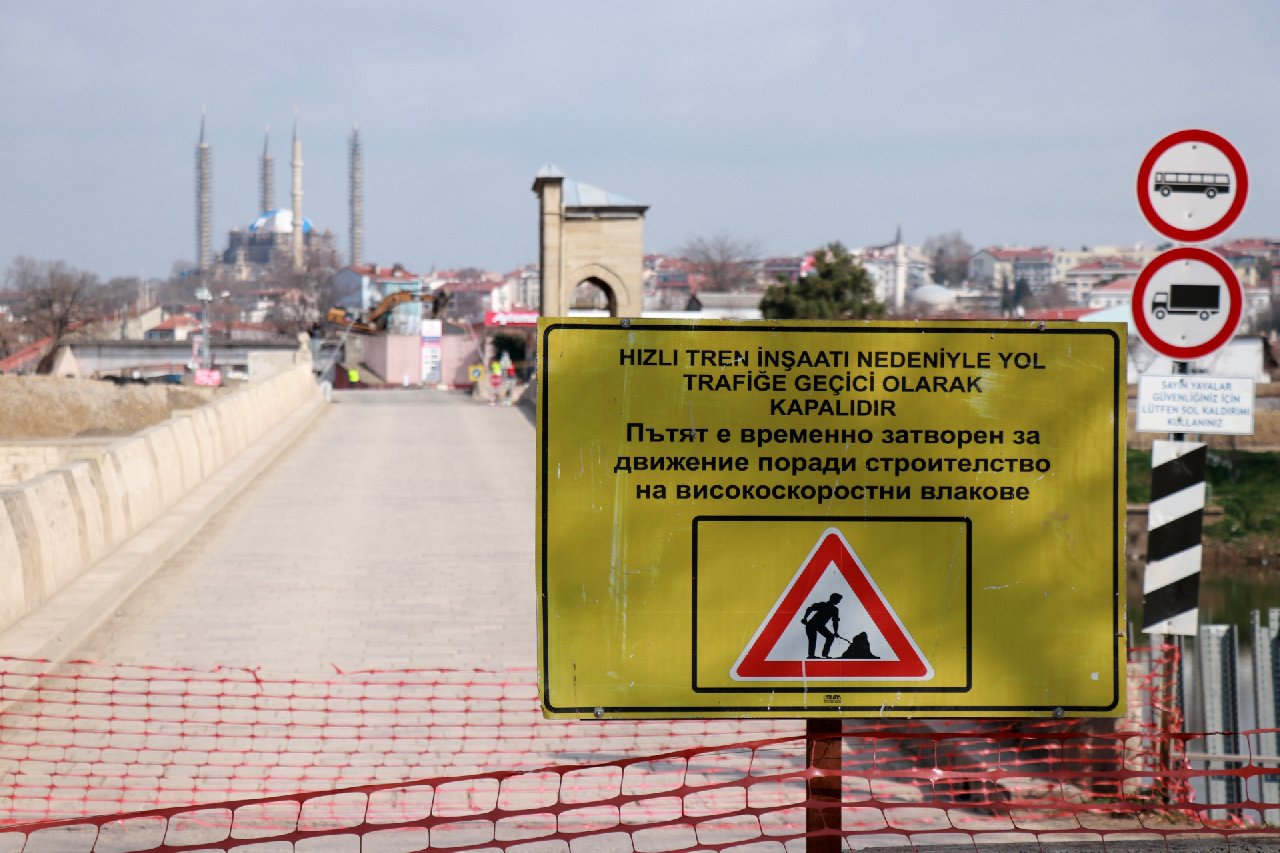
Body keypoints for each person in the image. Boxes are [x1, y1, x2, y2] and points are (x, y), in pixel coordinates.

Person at [801, 593, 842, 659]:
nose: (839, 602)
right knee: (813, 639)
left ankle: (825, 654)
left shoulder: (835, 610)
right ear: (833, 599)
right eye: (838, 600)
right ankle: (811, 655)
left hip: (820, 626)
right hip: (811, 624)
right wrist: (805, 618)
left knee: (830, 637)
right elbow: (809, 609)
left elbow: (835, 621)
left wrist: (835, 631)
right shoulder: (823, 605)